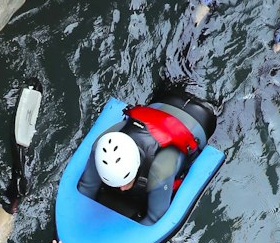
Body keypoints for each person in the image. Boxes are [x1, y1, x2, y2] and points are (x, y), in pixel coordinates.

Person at [76, 93, 215, 224]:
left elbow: (154, 219)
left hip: (205, 112)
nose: (122, 189)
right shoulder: (102, 146)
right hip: (163, 97)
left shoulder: (160, 169)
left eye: (124, 182)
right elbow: (86, 186)